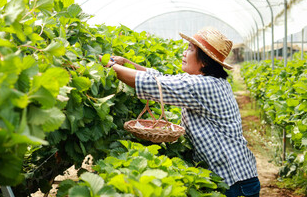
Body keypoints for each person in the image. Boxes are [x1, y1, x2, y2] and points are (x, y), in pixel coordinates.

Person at [103, 27, 260, 197]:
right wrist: (126, 63)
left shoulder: (204, 86)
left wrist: (109, 66)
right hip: (233, 177)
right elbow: (160, 77)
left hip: (234, 181)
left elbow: (154, 85)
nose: (184, 53)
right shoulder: (206, 81)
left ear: (205, 61)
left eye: (191, 49)